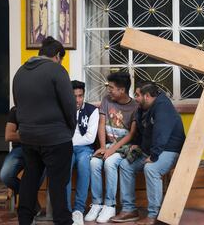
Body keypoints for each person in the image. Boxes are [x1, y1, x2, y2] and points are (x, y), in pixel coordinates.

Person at [13, 36, 76, 225]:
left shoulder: (20, 72)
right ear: (57, 55)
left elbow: (17, 105)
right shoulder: (57, 70)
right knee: (57, 184)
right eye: (61, 58)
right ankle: (63, 221)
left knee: (30, 180)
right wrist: (70, 129)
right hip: (56, 138)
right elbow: (69, 105)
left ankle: (24, 220)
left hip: (28, 138)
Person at [111, 81, 185, 225]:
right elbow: (143, 132)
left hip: (169, 150)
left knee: (151, 169)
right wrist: (137, 146)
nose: (135, 98)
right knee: (126, 165)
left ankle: (154, 214)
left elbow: (161, 134)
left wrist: (154, 156)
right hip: (152, 149)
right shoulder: (143, 108)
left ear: (147, 96)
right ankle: (129, 209)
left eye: (137, 95)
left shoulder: (163, 107)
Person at [84, 72, 138, 223]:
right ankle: (96, 203)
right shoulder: (107, 100)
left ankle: (110, 205)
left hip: (123, 147)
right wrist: (103, 147)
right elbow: (102, 124)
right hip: (107, 145)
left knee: (109, 162)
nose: (109, 90)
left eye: (111, 88)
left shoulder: (134, 106)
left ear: (122, 90)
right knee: (94, 162)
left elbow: (131, 134)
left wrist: (112, 150)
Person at [0, 106, 44, 214]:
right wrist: (32, 135)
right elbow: (8, 135)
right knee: (5, 175)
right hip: (20, 149)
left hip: (40, 150)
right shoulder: (16, 110)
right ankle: (31, 198)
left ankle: (29, 199)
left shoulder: (44, 108)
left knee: (37, 178)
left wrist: (22, 134)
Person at [67, 80, 99, 225]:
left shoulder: (92, 110)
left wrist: (70, 142)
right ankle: (66, 211)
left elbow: (90, 138)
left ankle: (78, 210)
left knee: (84, 164)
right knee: (64, 167)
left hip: (85, 148)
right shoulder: (63, 110)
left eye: (80, 96)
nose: (77, 100)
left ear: (84, 95)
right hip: (66, 148)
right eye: (74, 96)